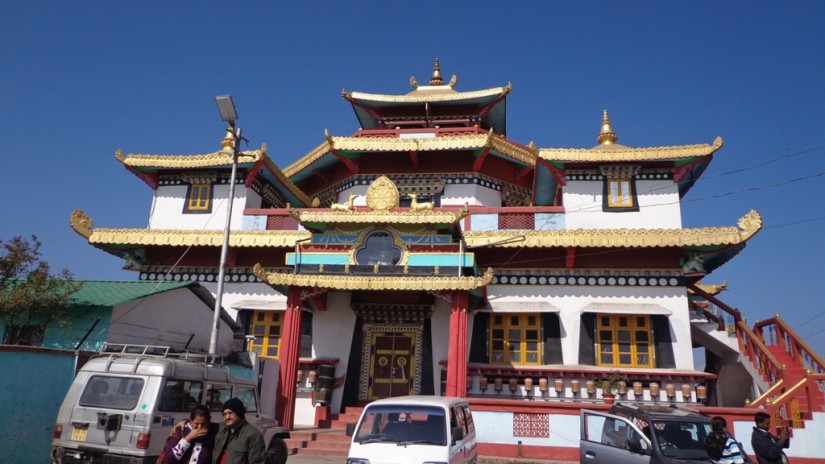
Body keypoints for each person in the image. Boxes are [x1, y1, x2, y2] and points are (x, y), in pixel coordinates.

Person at [212, 398, 266, 464]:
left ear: (239, 413)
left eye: (230, 413)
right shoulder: (220, 429)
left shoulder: (253, 435)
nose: (227, 417)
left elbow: (257, 461)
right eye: (224, 414)